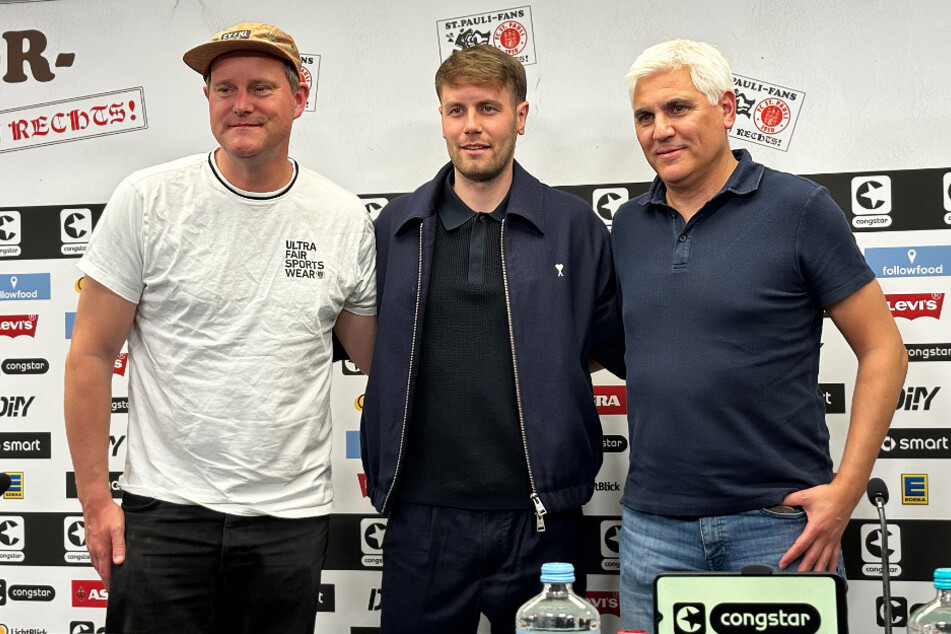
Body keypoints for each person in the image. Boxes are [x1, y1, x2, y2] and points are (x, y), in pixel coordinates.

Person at [64, 22, 377, 634]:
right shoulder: (147, 199)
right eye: (223, 88)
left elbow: (377, 361)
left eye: (261, 87)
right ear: (207, 98)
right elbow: (90, 356)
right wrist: (97, 501)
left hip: (290, 519)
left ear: (299, 97)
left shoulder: (342, 217)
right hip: (164, 516)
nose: (241, 105)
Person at [612, 39, 908, 632]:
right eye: (645, 116)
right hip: (651, 530)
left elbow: (884, 349)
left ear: (727, 108)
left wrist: (846, 491)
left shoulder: (800, 209)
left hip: (778, 526)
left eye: (677, 108)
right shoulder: (626, 225)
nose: (659, 130)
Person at [360, 44, 624, 633]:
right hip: (420, 517)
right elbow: (359, 343)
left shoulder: (574, 227)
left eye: (489, 108)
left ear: (521, 117)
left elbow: (611, 345)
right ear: (442, 118)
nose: (472, 127)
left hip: (541, 519)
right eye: (456, 110)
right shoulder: (395, 228)